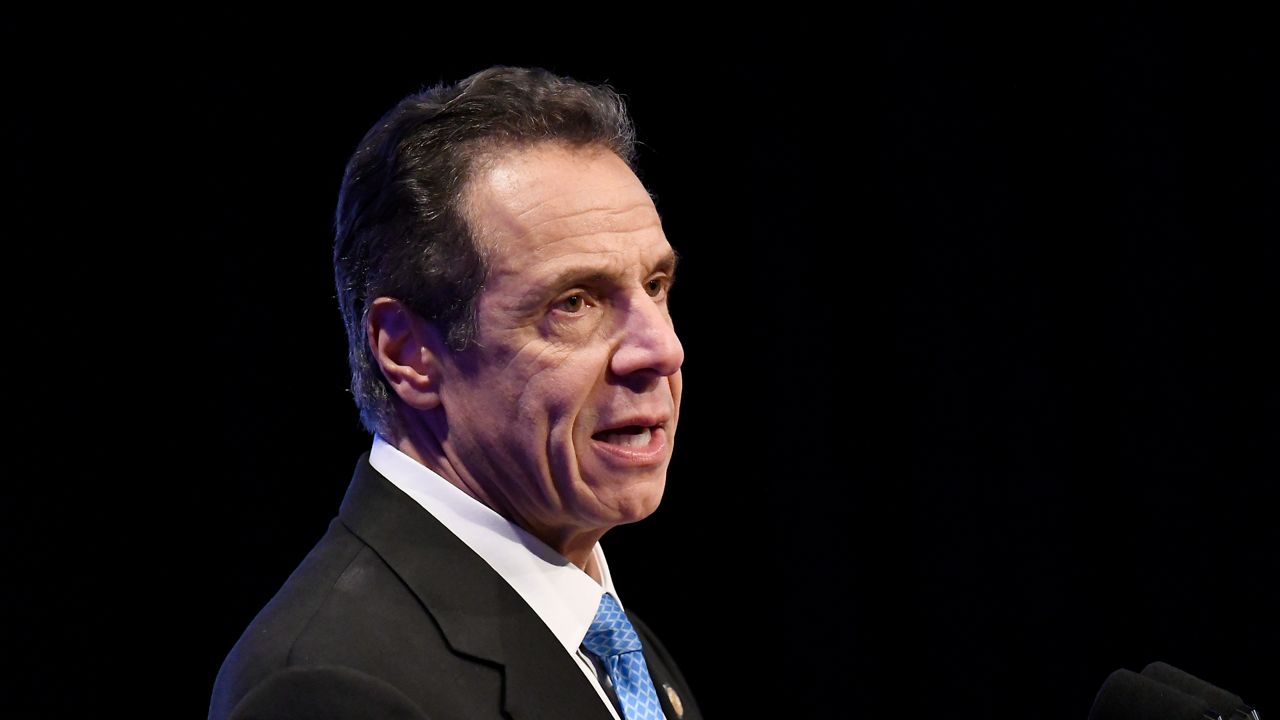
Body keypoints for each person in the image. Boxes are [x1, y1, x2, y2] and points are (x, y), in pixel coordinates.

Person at [208, 66, 701, 720]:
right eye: (574, 302)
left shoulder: (609, 639)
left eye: (656, 286)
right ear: (408, 354)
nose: (661, 349)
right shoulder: (329, 688)